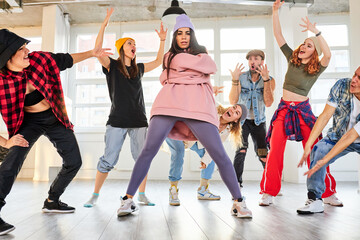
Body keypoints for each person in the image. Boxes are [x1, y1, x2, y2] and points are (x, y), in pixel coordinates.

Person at [116, 14, 252, 218]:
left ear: (193, 35)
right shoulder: (170, 55)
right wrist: (194, 73)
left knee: (219, 155)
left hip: (198, 106)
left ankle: (238, 202)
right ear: (174, 36)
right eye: (179, 33)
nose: (184, 37)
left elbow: (209, 67)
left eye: (187, 33)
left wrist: (184, 72)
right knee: (148, 150)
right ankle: (127, 199)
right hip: (168, 103)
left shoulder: (203, 53)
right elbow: (171, 73)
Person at [0, 29, 111, 235]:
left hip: (55, 116)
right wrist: (6, 142)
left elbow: (66, 59)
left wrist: (92, 53)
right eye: (21, 49)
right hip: (28, 122)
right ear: (7, 57)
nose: (27, 51)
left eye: (26, 46)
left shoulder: (39, 60)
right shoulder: (0, 82)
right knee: (11, 162)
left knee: (74, 161)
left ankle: (52, 200)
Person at [84, 9, 167, 208]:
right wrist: (104, 24)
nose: (134, 46)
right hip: (117, 120)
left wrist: (162, 41)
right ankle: (95, 195)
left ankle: (142, 194)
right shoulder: (111, 66)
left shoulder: (138, 69)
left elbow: (158, 61)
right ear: (122, 48)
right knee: (108, 159)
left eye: (135, 44)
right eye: (130, 43)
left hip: (139, 121)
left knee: (142, 159)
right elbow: (97, 50)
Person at [259, 0, 338, 206]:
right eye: (304, 43)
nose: (303, 46)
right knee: (275, 150)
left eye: (309, 45)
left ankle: (327, 192)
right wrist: (275, 11)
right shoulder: (292, 59)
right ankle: (269, 191)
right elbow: (278, 36)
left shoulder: (317, 68)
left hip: (304, 112)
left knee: (316, 151)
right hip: (284, 110)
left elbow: (328, 54)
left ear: (314, 52)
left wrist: (316, 32)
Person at [297, 66, 360, 214]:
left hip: (352, 138)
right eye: (355, 75)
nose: (354, 80)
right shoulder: (342, 86)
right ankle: (315, 200)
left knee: (323, 157)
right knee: (319, 150)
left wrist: (325, 161)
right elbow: (325, 115)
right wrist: (309, 146)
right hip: (337, 136)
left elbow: (350, 136)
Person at [166, 102, 248, 205]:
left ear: (236, 120)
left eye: (236, 112)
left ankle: (203, 190)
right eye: (234, 107)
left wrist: (205, 161)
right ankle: (173, 189)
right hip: (176, 129)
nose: (232, 110)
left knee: (213, 156)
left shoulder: (226, 130)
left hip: (193, 140)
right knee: (179, 152)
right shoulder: (214, 109)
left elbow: (214, 147)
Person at [229, 49, 275, 189]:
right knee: (241, 151)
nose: (252, 61)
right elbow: (233, 100)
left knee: (263, 153)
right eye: (250, 59)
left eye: (256, 58)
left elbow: (268, 103)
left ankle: (271, 184)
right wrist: (235, 80)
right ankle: (236, 183)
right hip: (242, 121)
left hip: (259, 121)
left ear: (262, 61)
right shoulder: (241, 78)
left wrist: (266, 80)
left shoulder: (270, 80)